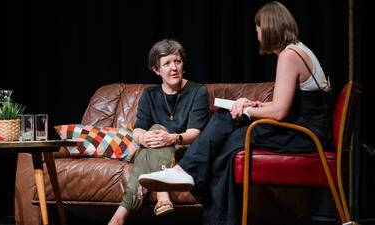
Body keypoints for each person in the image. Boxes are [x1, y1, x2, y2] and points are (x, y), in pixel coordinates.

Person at [138, 2, 333, 225]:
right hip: (305, 128)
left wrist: (244, 109)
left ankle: (185, 171)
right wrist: (255, 104)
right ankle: (196, 185)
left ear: (268, 27)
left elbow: (280, 112)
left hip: (305, 135)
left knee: (225, 117)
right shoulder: (298, 49)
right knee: (227, 147)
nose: (258, 35)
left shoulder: (289, 55)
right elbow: (288, 104)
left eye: (258, 29)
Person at [107, 39, 209, 225]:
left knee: (156, 132)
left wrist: (171, 138)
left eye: (177, 61)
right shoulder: (149, 94)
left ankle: (121, 216)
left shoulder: (198, 91)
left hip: (184, 150)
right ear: (156, 70)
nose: (174, 68)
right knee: (152, 132)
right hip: (154, 149)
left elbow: (196, 133)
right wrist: (142, 138)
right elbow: (138, 128)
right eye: (167, 63)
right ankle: (161, 196)